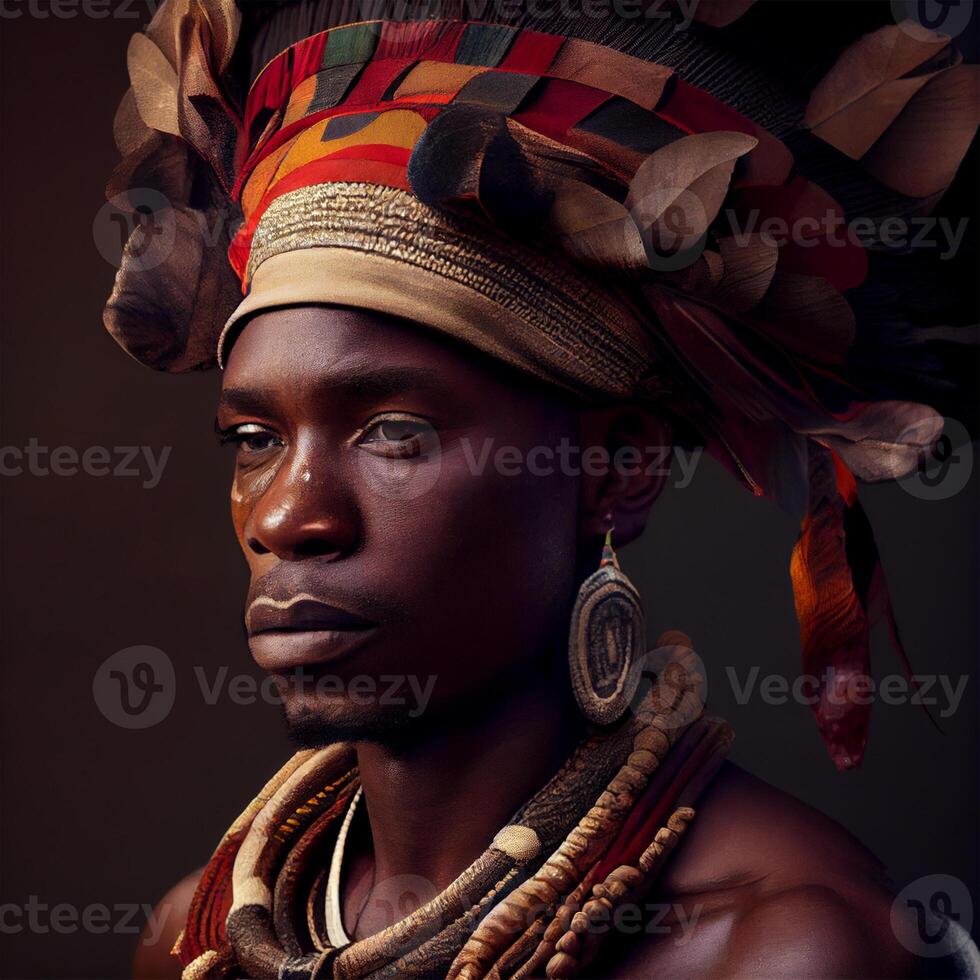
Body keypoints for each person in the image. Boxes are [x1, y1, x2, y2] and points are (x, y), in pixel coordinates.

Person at [102, 1, 978, 977]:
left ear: (613, 469)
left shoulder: (784, 948)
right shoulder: (196, 937)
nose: (285, 515)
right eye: (255, 437)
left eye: (395, 432)